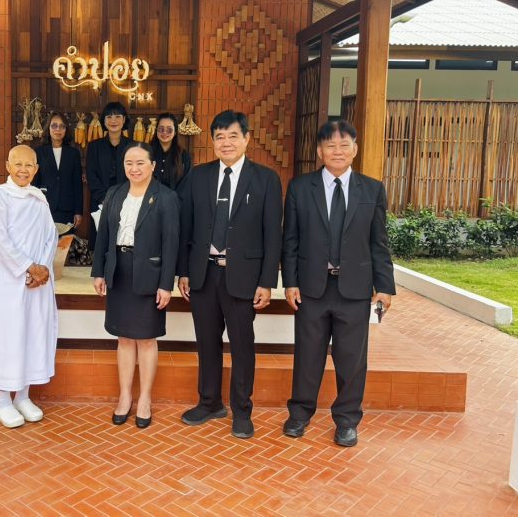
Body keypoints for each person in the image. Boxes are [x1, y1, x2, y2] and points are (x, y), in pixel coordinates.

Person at [281, 120, 395, 448]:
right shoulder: (301, 188)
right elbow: (291, 240)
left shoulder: (371, 189)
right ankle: (299, 413)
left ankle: (346, 420)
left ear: (355, 149)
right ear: (319, 151)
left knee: (352, 359)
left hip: (355, 289)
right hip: (312, 288)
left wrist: (384, 286)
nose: (337, 151)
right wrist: (290, 282)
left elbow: (378, 242)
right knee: (308, 355)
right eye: (330, 145)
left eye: (344, 145)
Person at [177, 110, 282, 440]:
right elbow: (186, 227)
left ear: (247, 139)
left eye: (233, 136)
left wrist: (267, 281)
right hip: (204, 273)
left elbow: (272, 236)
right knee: (207, 342)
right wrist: (183, 271)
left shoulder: (265, 179)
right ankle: (209, 402)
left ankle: (242, 410)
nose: (226, 143)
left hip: (243, 277)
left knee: (242, 345)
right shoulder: (198, 176)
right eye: (219, 137)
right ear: (212, 141)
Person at [91, 143, 179, 428]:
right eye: (129, 163)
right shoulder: (114, 193)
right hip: (119, 272)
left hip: (149, 275)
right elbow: (103, 236)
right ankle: (125, 396)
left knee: (147, 339)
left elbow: (171, 244)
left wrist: (166, 284)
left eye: (140, 162)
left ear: (152, 165)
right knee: (124, 338)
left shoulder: (166, 197)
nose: (134, 168)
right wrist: (99, 272)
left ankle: (145, 399)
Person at [0, 145, 59, 428]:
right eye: (18, 164)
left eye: (29, 165)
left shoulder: (39, 198)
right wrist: (28, 267)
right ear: (8, 166)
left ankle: (23, 396)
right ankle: (2, 400)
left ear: (36, 169)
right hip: (9, 280)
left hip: (37, 282)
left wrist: (42, 269)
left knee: (34, 333)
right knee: (9, 336)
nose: (23, 170)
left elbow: (51, 236)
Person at [86, 101, 132, 242]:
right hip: (100, 202)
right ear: (104, 120)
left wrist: (122, 199)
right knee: (101, 242)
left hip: (127, 202)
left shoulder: (132, 146)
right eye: (109, 117)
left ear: (124, 120)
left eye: (117, 116)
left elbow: (134, 175)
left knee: (123, 241)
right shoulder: (94, 147)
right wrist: (105, 199)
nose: (113, 120)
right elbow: (91, 176)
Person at [33, 111, 84, 232]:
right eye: (54, 125)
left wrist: (78, 211)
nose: (58, 129)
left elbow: (77, 184)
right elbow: (35, 182)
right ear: (48, 128)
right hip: (45, 207)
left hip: (67, 208)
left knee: (65, 242)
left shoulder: (73, 153)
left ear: (66, 130)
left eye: (62, 126)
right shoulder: (39, 152)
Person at [151, 112, 191, 191]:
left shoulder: (184, 155)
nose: (164, 132)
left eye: (169, 130)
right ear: (156, 130)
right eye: (161, 129)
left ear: (175, 132)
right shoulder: (147, 152)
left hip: (175, 198)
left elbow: (187, 183)